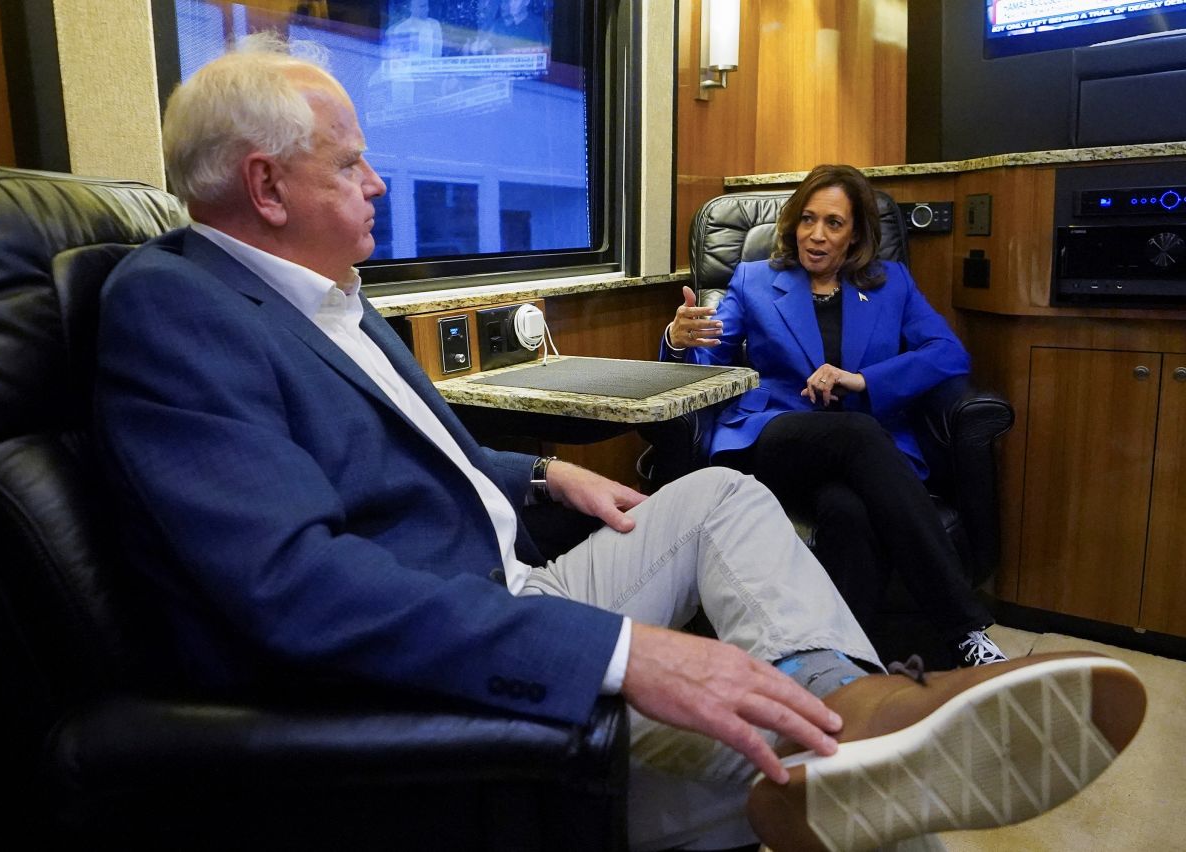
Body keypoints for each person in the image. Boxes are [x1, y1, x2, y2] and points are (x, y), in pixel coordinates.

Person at [93, 37, 1142, 851]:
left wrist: (542, 469)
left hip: (504, 575)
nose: (378, 185)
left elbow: (412, 455)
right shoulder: (178, 309)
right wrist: (623, 651)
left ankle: (851, 695)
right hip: (426, 656)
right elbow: (292, 587)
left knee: (730, 502)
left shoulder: (332, 300)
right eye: (355, 163)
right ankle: (861, 730)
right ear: (268, 187)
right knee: (837, 784)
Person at [662, 164, 1008, 668]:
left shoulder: (892, 285)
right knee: (859, 432)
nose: (816, 236)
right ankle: (964, 628)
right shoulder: (755, 279)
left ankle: (849, 666)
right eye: (807, 220)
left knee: (850, 511)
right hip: (776, 436)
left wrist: (864, 381)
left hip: (861, 459)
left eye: (833, 224)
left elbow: (948, 353)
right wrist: (679, 340)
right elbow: (706, 362)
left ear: (857, 235)